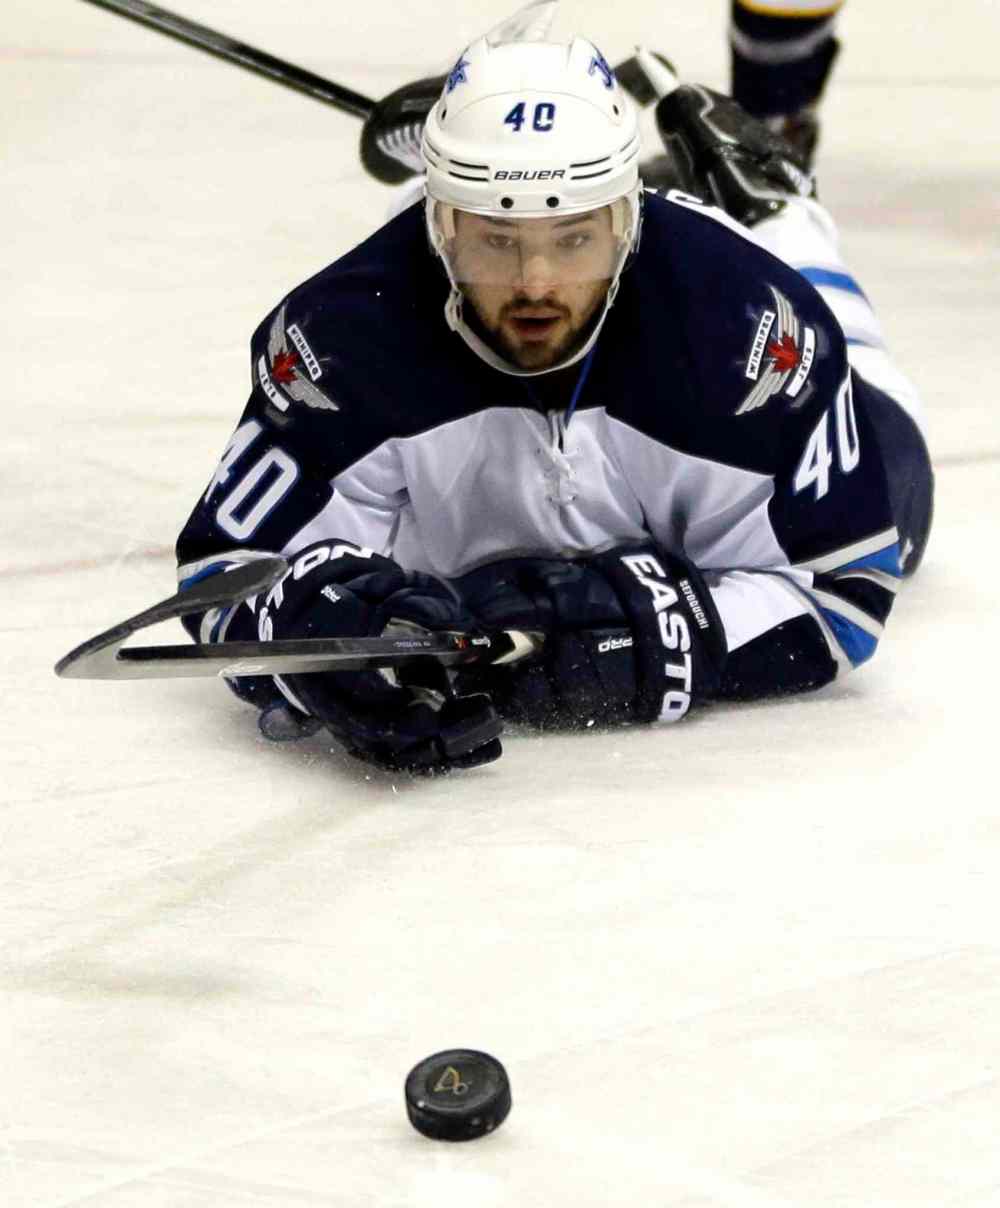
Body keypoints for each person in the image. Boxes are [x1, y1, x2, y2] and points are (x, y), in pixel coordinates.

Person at [176, 24, 932, 774]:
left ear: (629, 220)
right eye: (497, 239)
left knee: (901, 473)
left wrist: (664, 638)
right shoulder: (341, 341)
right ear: (437, 229)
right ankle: (476, 167)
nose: (536, 285)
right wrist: (320, 651)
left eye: (574, 240)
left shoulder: (746, 333)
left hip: (720, 305)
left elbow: (845, 594)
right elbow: (227, 573)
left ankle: (774, 205)